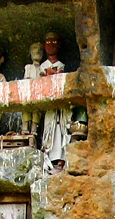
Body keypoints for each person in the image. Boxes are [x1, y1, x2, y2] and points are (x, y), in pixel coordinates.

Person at [40, 32, 72, 171]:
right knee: (50, 128)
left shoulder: (61, 66)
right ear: (44, 46)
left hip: (60, 105)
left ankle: (61, 160)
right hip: (49, 105)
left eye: (54, 43)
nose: (51, 46)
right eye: (48, 43)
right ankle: (49, 159)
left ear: (59, 46)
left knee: (61, 129)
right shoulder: (42, 67)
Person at [20, 43, 45, 136]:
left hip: (38, 92)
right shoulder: (28, 67)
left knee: (36, 111)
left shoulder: (43, 68)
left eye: (40, 49)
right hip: (29, 91)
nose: (37, 51)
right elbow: (26, 79)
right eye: (35, 48)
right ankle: (25, 127)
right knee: (26, 108)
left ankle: (34, 129)